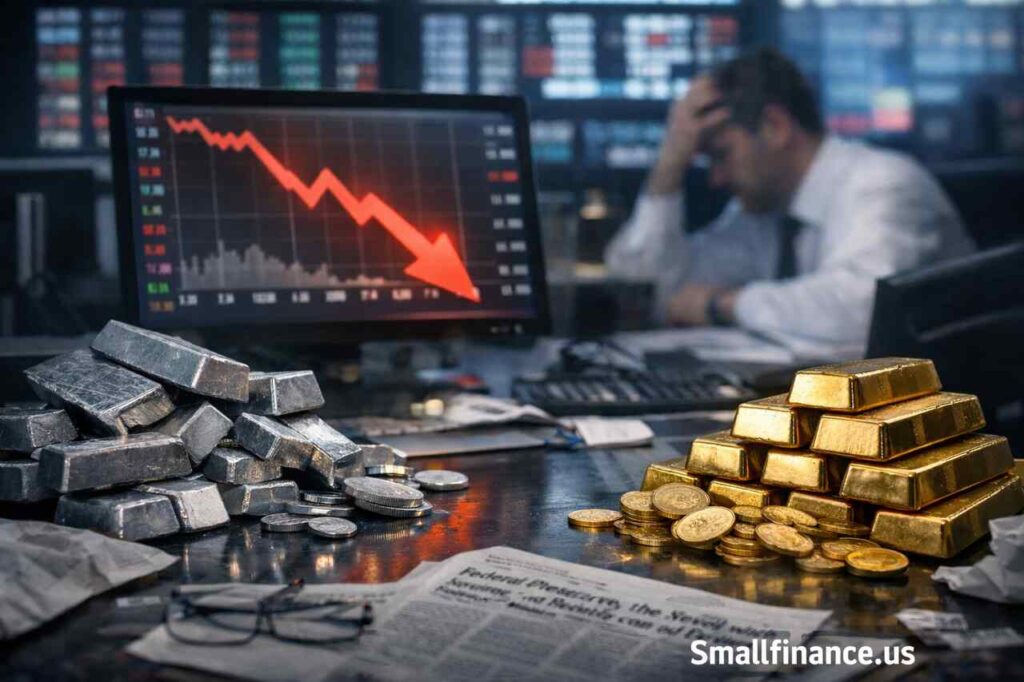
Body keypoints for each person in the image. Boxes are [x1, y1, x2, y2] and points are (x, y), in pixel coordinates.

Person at [605, 47, 974, 358]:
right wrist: (668, 166)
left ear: (774, 126)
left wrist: (723, 304)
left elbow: (862, 316)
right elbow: (652, 290)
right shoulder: (762, 213)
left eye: (720, 154)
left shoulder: (882, 183)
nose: (715, 179)